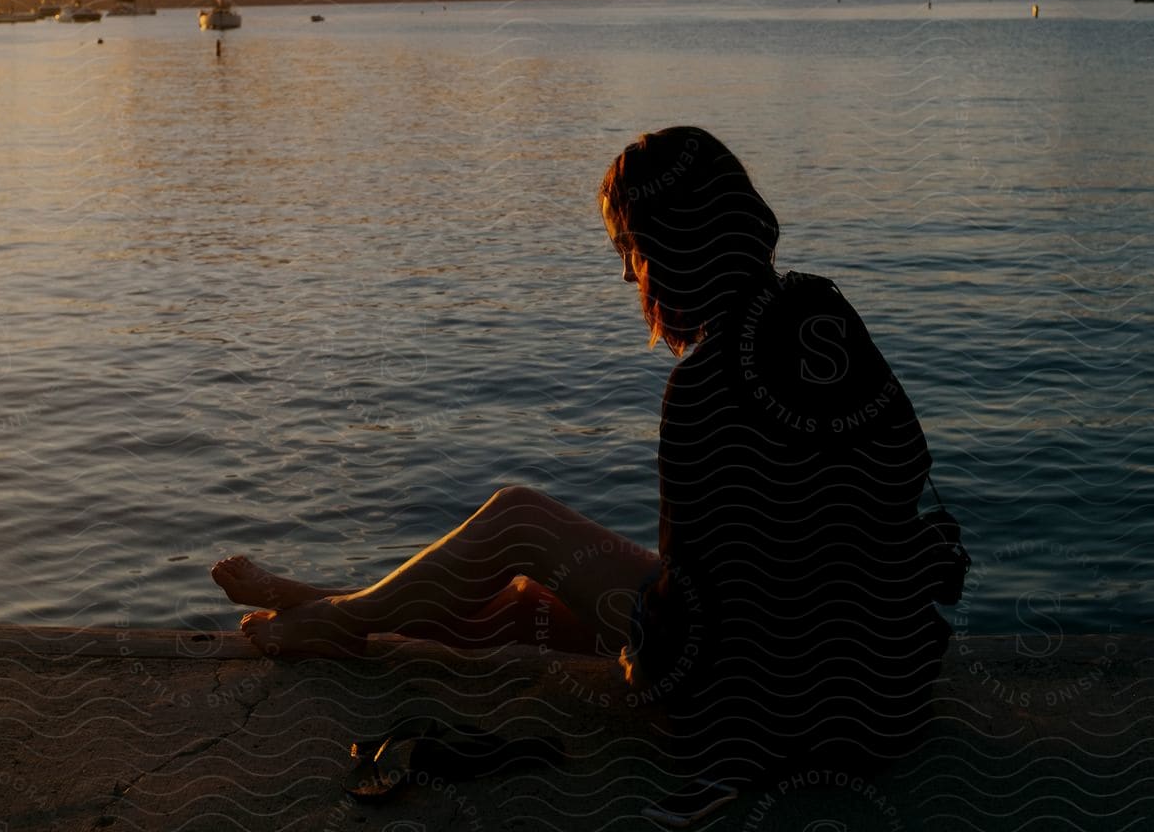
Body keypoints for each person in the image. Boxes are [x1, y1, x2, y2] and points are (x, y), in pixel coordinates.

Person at [215, 126, 951, 784]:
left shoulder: (706, 384)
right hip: (887, 699)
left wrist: (637, 663)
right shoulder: (822, 311)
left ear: (670, 245)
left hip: (756, 722)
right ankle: (332, 608)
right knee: (540, 601)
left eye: (628, 251)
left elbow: (690, 614)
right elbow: (897, 495)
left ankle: (339, 619)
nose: (629, 276)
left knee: (518, 526)